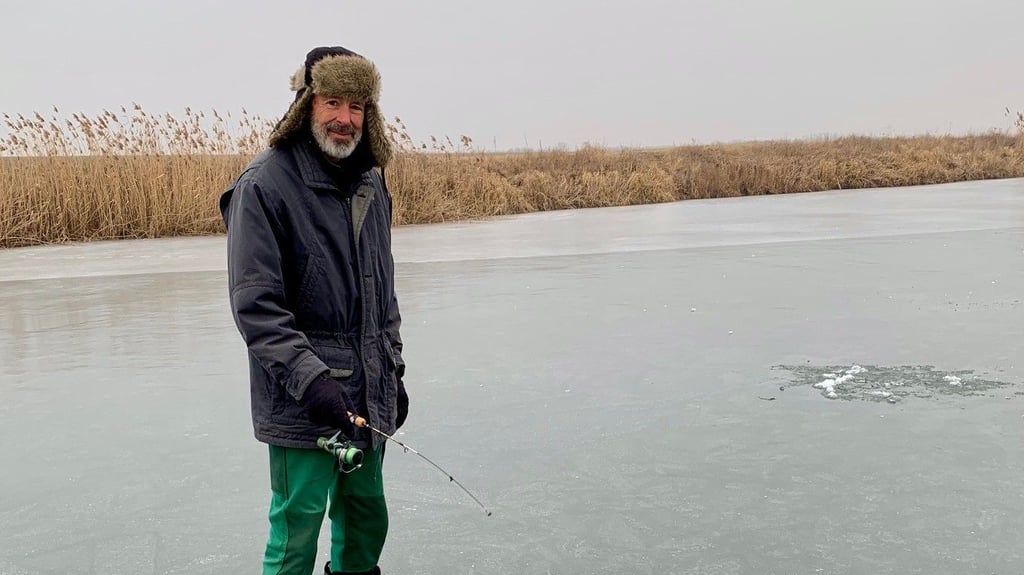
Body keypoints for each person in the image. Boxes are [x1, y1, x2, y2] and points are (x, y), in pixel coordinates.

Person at [219, 45, 408, 575]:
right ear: (306, 104)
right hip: (301, 400)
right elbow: (256, 308)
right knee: (297, 530)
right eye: (332, 103)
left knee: (367, 520)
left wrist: (392, 372)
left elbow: (383, 294)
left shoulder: (371, 181)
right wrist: (312, 382)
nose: (345, 120)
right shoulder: (263, 185)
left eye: (357, 106)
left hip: (368, 394)